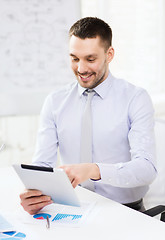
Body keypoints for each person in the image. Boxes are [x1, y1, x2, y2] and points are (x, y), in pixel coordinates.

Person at [20, 17, 157, 215]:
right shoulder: (55, 101)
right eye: (75, 58)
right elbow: (42, 165)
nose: (81, 69)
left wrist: (93, 170)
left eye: (90, 59)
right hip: (72, 209)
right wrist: (33, 194)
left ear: (109, 55)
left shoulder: (135, 98)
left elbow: (146, 169)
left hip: (125, 212)